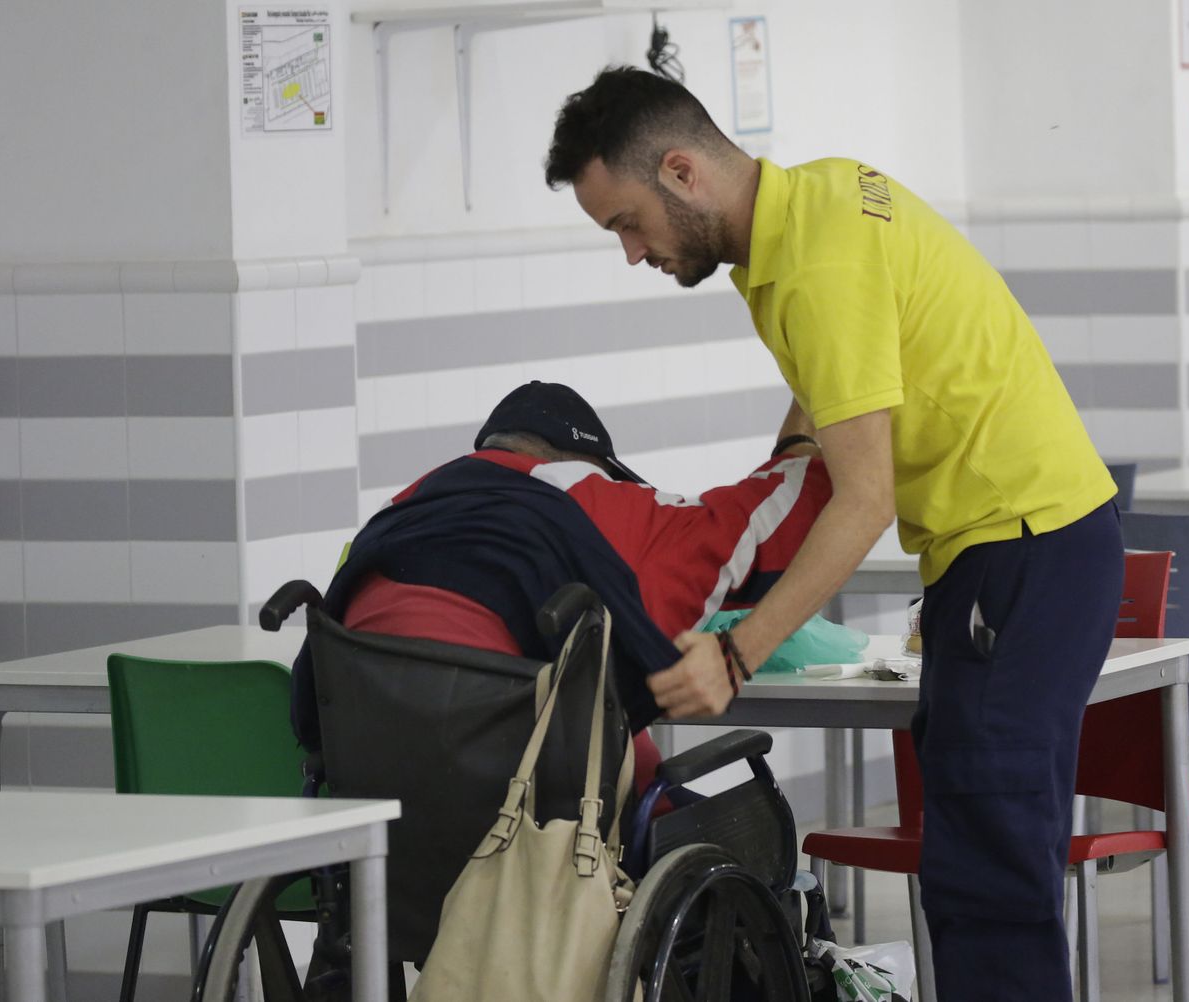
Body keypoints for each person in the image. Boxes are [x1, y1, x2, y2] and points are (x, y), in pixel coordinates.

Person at [545, 67, 1123, 999]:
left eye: (628, 223)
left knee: (991, 877)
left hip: (1023, 549)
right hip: (1016, 549)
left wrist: (736, 655)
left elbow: (864, 500)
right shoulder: (810, 209)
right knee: (974, 861)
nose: (631, 252)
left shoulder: (815, 264)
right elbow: (832, 393)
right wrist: (766, 494)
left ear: (683, 172)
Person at [289, 380, 832, 802]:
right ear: (587, 463)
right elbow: (779, 513)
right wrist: (814, 392)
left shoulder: (399, 509)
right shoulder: (594, 497)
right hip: (525, 811)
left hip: (379, 802)